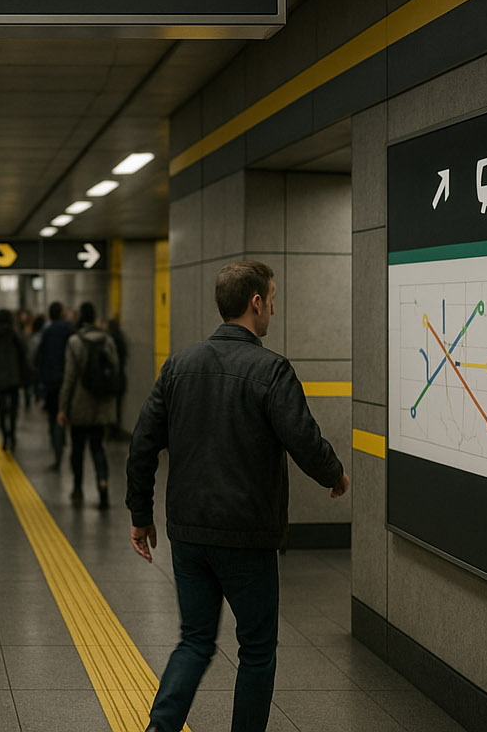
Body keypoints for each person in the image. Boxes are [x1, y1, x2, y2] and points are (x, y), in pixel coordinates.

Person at [126, 260, 349, 732]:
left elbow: (143, 442)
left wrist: (140, 514)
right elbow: (303, 438)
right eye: (272, 298)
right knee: (256, 648)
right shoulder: (271, 369)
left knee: (195, 640)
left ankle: (158, 729)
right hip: (246, 535)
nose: (272, 308)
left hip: (188, 533)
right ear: (255, 302)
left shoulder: (179, 365)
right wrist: (334, 475)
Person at [57, 302, 122, 507]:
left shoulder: (74, 341)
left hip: (79, 406)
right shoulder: (107, 340)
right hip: (101, 405)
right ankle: (102, 486)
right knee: (98, 448)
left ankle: (77, 488)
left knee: (77, 449)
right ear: (94, 318)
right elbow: (115, 372)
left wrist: (63, 408)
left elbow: (69, 378)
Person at [33, 302, 74, 471]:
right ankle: (63, 442)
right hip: (67, 382)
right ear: (62, 313)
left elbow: (39, 359)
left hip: (51, 383)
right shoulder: (69, 330)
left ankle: (57, 451)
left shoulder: (47, 332)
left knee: (53, 418)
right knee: (65, 414)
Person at [0, 308, 30, 451]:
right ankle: (13, 434)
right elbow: (23, 353)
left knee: (2, 409)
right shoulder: (14, 334)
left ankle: (4, 437)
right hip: (14, 377)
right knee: (14, 408)